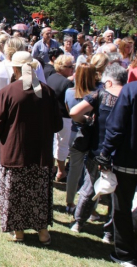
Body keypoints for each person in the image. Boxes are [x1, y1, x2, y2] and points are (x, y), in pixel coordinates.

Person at [0, 51, 63, 244]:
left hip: (15, 153)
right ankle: (43, 233)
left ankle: (19, 232)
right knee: (39, 194)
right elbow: (58, 125)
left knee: (15, 193)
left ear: (14, 69)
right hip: (40, 153)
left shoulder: (8, 92)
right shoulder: (47, 92)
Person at [70, 64, 128, 247]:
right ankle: (109, 233)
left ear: (109, 81)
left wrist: (87, 121)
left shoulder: (99, 95)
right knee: (116, 195)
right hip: (120, 153)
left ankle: (78, 222)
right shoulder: (129, 97)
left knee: (89, 187)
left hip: (97, 150)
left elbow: (74, 112)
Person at [94, 67, 137, 265]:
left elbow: (116, 126)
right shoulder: (129, 91)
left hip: (127, 161)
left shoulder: (130, 91)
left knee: (122, 208)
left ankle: (126, 254)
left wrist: (105, 154)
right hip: (127, 159)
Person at [64, 63, 97, 214]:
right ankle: (91, 208)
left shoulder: (69, 93)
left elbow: (68, 109)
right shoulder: (96, 94)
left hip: (74, 133)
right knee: (92, 174)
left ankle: (69, 202)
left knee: (73, 170)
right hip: (91, 135)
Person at [46, 54, 75, 181]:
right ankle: (61, 172)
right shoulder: (66, 83)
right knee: (62, 145)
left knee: (53, 143)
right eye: (70, 67)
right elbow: (68, 103)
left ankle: (51, 169)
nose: (72, 69)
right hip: (63, 116)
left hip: (50, 115)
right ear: (62, 67)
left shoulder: (51, 78)